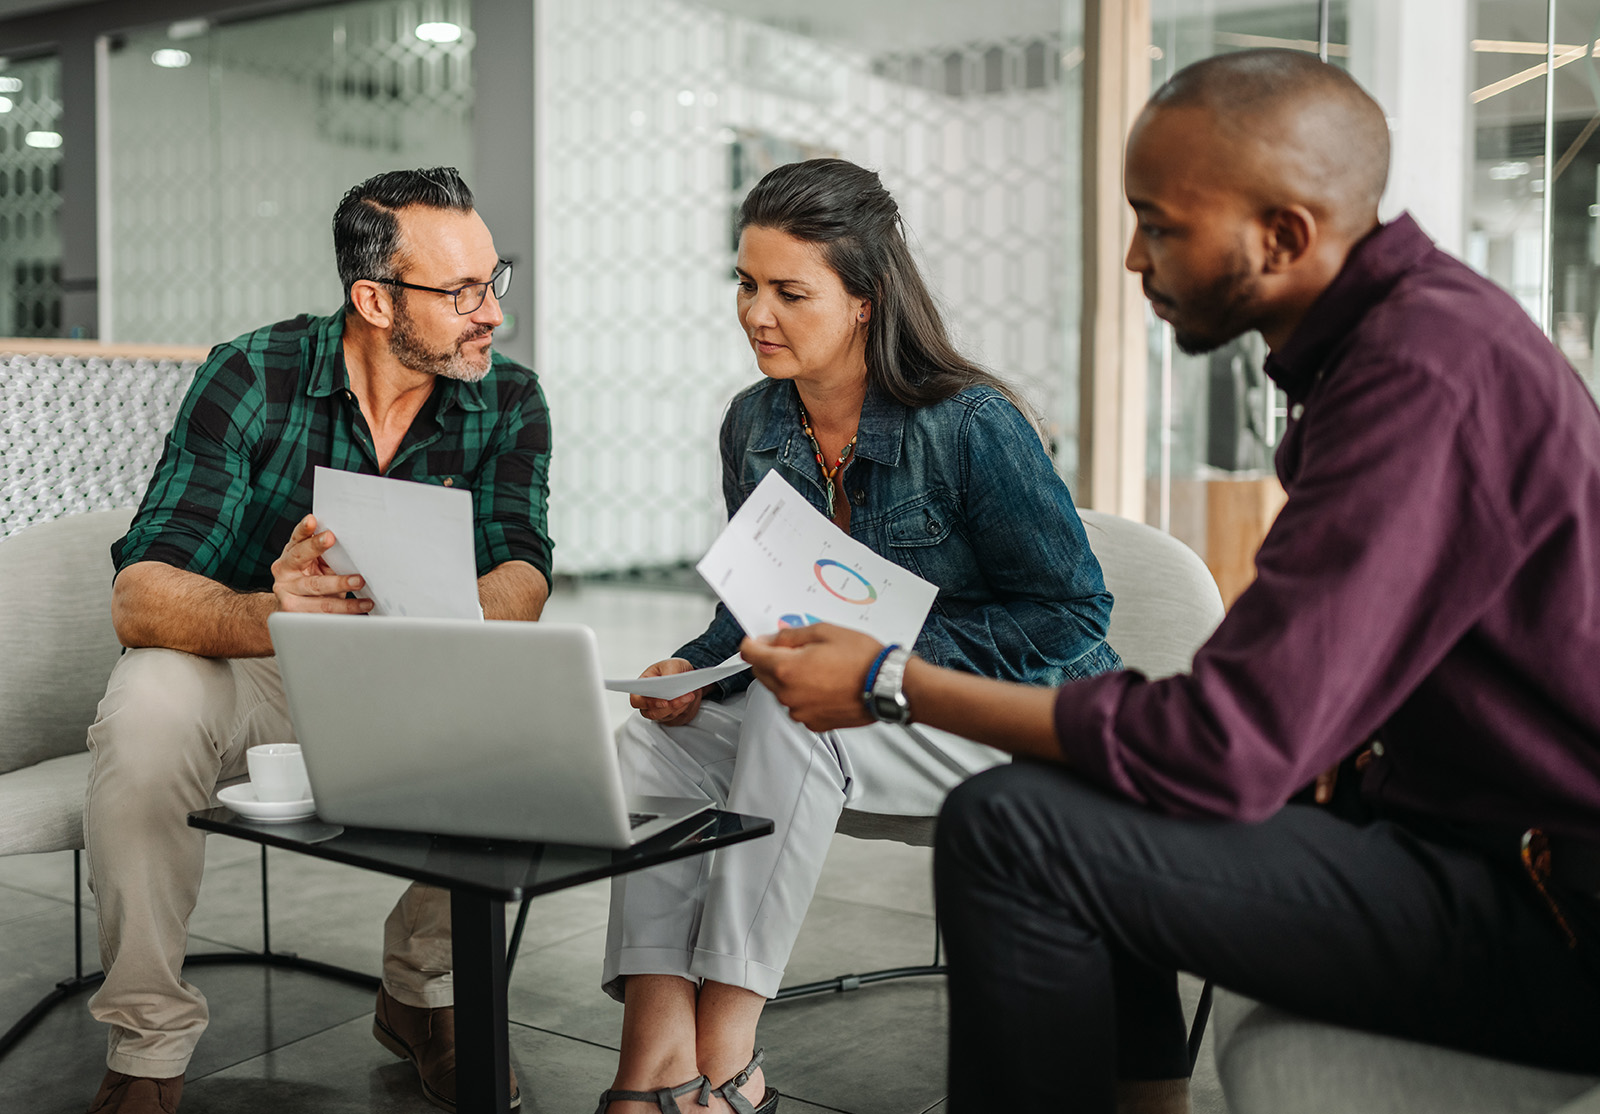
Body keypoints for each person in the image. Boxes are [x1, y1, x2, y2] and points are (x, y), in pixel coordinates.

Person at [743, 49, 1600, 1114]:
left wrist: (888, 682)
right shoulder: (1394, 343)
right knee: (1081, 791)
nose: (1134, 258)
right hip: (1457, 840)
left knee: (1011, 832)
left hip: (1546, 908)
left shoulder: (1421, 375)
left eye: (1160, 224)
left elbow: (1226, 746)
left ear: (1281, 237)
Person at [594, 158, 1120, 1113]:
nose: (758, 313)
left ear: (867, 301)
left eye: (790, 292)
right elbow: (757, 597)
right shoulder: (753, 424)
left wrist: (882, 658)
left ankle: (727, 1061)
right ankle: (653, 1061)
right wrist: (697, 666)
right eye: (746, 285)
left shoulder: (971, 424)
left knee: (802, 722)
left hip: (998, 719)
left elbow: (1071, 616)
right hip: (857, 706)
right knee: (657, 741)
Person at [84, 167, 551, 1114]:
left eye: (493, 279)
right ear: (374, 299)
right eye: (460, 292)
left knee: (516, 711)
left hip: (407, 670)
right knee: (147, 705)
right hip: (259, 668)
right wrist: (272, 611)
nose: (490, 313)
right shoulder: (252, 374)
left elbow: (524, 572)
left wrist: (438, 611)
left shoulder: (510, 400)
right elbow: (143, 597)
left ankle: (426, 995)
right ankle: (147, 1047)